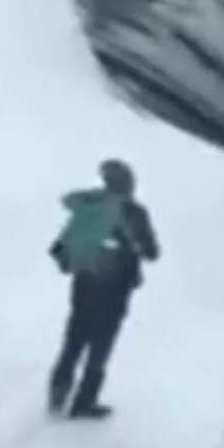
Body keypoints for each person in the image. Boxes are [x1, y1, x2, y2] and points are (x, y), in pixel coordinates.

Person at [47, 159, 160, 420]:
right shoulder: (134, 212)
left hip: (84, 285)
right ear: (128, 184)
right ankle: (84, 404)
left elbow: (59, 249)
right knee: (100, 348)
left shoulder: (90, 208)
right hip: (115, 291)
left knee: (73, 342)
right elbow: (153, 252)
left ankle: (57, 397)